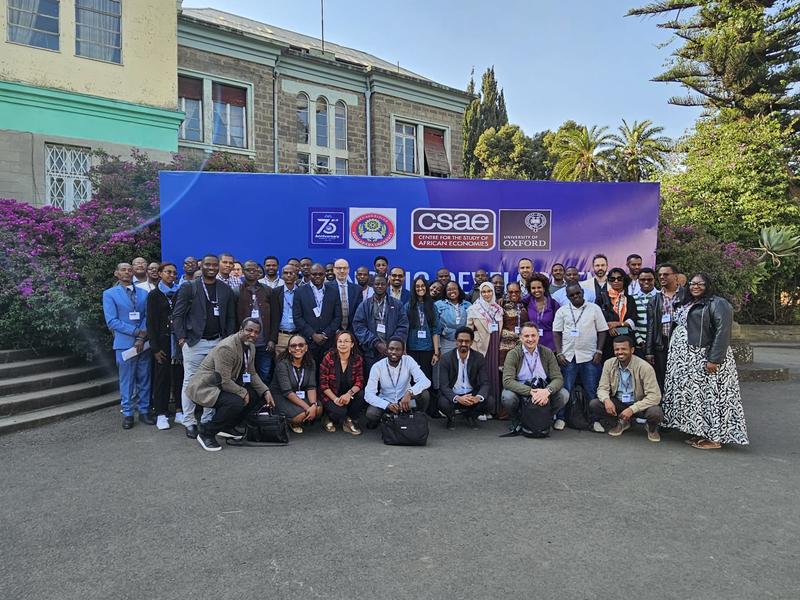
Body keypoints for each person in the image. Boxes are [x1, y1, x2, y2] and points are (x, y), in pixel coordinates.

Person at [661, 273, 748, 449]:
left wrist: (714, 359)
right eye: (692, 283)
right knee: (696, 397)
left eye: (700, 284)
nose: (695, 286)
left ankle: (714, 438)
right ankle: (700, 431)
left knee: (712, 397)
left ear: (708, 285)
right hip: (686, 360)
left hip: (704, 356)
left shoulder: (718, 303)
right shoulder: (688, 301)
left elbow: (722, 332)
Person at [185, 318, 275, 451]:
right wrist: (243, 392)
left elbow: (252, 373)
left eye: (256, 332)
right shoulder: (227, 347)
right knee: (235, 402)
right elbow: (224, 381)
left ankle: (227, 426)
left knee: (257, 395)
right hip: (207, 386)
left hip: (223, 384)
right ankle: (206, 433)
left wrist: (266, 391)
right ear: (241, 329)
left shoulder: (250, 346)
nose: (253, 335)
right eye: (249, 330)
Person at [173, 254, 237, 438]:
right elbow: (177, 315)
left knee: (215, 381)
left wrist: (228, 340)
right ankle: (189, 420)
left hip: (218, 343)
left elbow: (231, 317)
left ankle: (207, 419)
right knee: (191, 381)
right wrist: (181, 338)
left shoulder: (225, 289)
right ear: (202, 266)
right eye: (207, 264)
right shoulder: (189, 287)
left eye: (214, 265)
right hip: (194, 343)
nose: (211, 267)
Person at [102, 262, 153, 429]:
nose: (127, 272)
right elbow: (112, 321)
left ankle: (144, 410)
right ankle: (128, 413)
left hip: (143, 343)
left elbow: (147, 316)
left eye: (129, 269)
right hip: (124, 344)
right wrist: (136, 332)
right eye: (123, 270)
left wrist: (142, 336)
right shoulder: (109, 294)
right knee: (127, 380)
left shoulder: (144, 293)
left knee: (144, 378)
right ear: (116, 273)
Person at [552, 283, 608, 432]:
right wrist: (559, 352)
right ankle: (561, 418)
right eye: (572, 295)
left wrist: (599, 351)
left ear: (582, 292)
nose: (576, 297)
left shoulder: (594, 309)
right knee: (565, 389)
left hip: (590, 356)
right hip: (568, 357)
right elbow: (556, 332)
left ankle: (595, 421)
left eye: (578, 293)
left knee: (592, 390)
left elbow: (602, 331)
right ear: (567, 296)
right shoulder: (562, 311)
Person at [591, 336, 663, 441]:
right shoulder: (608, 364)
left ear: (632, 350)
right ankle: (622, 422)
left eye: (623, 349)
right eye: (617, 349)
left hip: (640, 404)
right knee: (595, 404)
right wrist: (606, 400)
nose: (620, 352)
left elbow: (655, 396)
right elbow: (602, 388)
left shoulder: (645, 367)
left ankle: (651, 428)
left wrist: (632, 409)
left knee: (655, 412)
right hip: (620, 403)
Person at [501, 323, 568, 433]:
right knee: (507, 396)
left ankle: (544, 418)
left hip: (543, 389)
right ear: (520, 337)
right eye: (526, 336)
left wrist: (547, 391)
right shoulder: (513, 354)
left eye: (533, 335)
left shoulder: (548, 352)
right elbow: (507, 381)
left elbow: (558, 378)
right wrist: (531, 391)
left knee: (564, 394)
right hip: (522, 389)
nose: (530, 339)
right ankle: (517, 419)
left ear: (538, 336)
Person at [146, 262, 183, 430]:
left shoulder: (180, 292)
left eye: (174, 273)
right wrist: (154, 347)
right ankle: (161, 413)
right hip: (162, 342)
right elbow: (151, 323)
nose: (172, 275)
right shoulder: (155, 295)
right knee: (162, 378)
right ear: (160, 273)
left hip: (179, 342)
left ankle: (179, 411)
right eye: (168, 272)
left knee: (180, 376)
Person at [364, 338, 431, 429]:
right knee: (371, 414)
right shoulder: (377, 366)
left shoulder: (408, 361)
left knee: (424, 395)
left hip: (405, 402)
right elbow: (368, 394)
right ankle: (386, 417)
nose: (394, 352)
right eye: (391, 349)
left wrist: (409, 393)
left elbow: (425, 381)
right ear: (387, 350)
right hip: (387, 402)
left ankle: (417, 418)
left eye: (398, 349)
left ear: (403, 351)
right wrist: (386, 405)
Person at [353, 274, 409, 375]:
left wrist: (391, 345)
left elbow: (403, 326)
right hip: (371, 352)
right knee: (373, 382)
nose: (379, 286)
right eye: (377, 284)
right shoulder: (365, 305)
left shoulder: (397, 305)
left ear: (387, 285)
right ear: (372, 285)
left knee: (392, 383)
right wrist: (376, 343)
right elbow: (359, 326)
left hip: (392, 353)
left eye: (382, 284)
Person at [438, 327, 489, 430]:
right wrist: (458, 398)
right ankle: (451, 417)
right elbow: (444, 386)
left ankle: (471, 416)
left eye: (467, 341)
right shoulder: (446, 358)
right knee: (442, 402)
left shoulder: (479, 357)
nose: (463, 344)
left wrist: (477, 397)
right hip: (454, 395)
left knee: (490, 401)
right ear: (456, 341)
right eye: (460, 341)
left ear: (471, 342)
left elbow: (485, 383)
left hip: (471, 395)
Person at [645, 263, 686, 391]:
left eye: (666, 274)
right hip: (662, 344)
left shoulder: (687, 295)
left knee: (681, 378)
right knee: (662, 378)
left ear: (676, 276)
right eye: (660, 275)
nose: (662, 277)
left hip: (683, 344)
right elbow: (651, 326)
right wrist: (649, 351)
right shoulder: (654, 299)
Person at [238, 260, 280, 384]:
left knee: (264, 374)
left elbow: (275, 318)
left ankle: (264, 401)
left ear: (259, 272)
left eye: (254, 270)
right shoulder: (236, 291)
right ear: (243, 272)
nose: (251, 272)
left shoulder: (268, 291)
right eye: (248, 270)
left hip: (264, 343)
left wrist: (272, 339)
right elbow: (233, 318)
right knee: (244, 375)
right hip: (244, 343)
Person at [293, 262, 342, 367]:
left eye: (320, 274)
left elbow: (338, 317)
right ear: (310, 274)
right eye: (314, 274)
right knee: (309, 371)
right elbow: (297, 317)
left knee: (328, 372)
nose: (317, 276)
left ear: (325, 275)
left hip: (328, 341)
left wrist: (325, 334)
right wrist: (312, 335)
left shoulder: (333, 291)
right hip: (308, 341)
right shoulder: (300, 292)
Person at [405, 276, 441, 415]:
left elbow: (435, 330)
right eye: (417, 286)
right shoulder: (408, 306)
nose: (420, 289)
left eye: (423, 286)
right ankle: (412, 409)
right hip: (411, 350)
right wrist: (404, 350)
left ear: (426, 288)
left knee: (427, 379)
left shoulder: (432, 306)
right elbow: (404, 329)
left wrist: (436, 352)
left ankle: (429, 410)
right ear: (414, 289)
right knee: (412, 381)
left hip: (428, 350)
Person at [466, 281, 502, 417]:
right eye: (484, 292)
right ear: (480, 293)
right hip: (479, 347)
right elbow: (468, 331)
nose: (487, 294)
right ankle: (480, 409)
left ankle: (492, 409)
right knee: (481, 377)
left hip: (494, 346)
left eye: (489, 291)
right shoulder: (473, 309)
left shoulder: (498, 309)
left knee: (493, 377)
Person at [270, 334, 319, 434]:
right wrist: (308, 408)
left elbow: (311, 386)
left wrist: (313, 405)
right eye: (293, 346)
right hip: (281, 396)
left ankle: (304, 416)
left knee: (318, 409)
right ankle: (291, 421)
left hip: (298, 393)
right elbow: (287, 392)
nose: (297, 348)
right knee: (300, 415)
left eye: (301, 345)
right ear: (289, 349)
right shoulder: (282, 365)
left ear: (306, 348)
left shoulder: (311, 362)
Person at [318, 331, 364, 435]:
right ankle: (328, 418)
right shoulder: (329, 357)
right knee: (339, 412)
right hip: (330, 395)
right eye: (340, 341)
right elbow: (323, 384)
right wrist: (335, 399)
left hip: (348, 395)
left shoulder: (357, 359)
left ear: (352, 344)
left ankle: (349, 419)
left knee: (361, 395)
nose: (342, 344)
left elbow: (360, 381)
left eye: (346, 341)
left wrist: (349, 394)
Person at [597, 267, 639, 360]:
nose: (616, 281)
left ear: (624, 280)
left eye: (619, 279)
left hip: (626, 337)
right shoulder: (602, 297)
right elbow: (597, 317)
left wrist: (618, 324)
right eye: (612, 279)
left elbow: (634, 318)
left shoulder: (630, 299)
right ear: (609, 281)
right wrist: (608, 327)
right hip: (607, 340)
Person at [521, 273, 559, 351]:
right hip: (531, 344)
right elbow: (514, 300)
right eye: (533, 288)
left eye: (539, 287)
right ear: (530, 290)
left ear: (544, 288)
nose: (536, 290)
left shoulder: (553, 303)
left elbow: (559, 327)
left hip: (550, 346)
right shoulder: (526, 302)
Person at [436, 280, 471, 360]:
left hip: (463, 342)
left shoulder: (467, 305)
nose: (452, 291)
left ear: (459, 290)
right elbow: (435, 325)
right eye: (449, 290)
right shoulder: (439, 304)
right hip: (446, 341)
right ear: (445, 292)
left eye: (454, 289)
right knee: (447, 366)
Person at [329, 258, 362, 331]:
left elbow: (358, 313)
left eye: (345, 268)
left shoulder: (357, 289)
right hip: (332, 331)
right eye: (339, 268)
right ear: (334, 270)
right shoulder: (327, 287)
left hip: (352, 330)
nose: (342, 271)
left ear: (348, 270)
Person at [274, 264, 299, 356]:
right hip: (281, 336)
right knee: (280, 366)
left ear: (296, 275)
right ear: (281, 275)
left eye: (291, 273)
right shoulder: (275, 292)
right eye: (286, 273)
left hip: (298, 334)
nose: (288, 275)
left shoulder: (302, 292)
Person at [632, 267, 658, 355]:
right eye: (642, 280)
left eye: (649, 279)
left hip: (657, 345)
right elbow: (632, 322)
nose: (646, 282)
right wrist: (639, 340)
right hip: (639, 344)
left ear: (655, 280)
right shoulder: (632, 298)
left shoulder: (661, 297)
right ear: (638, 280)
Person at [499, 282, 524, 367]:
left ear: (520, 292)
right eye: (510, 292)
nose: (514, 294)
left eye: (516, 291)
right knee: (506, 371)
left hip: (523, 346)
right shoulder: (501, 305)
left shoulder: (526, 304)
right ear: (507, 292)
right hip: (506, 345)